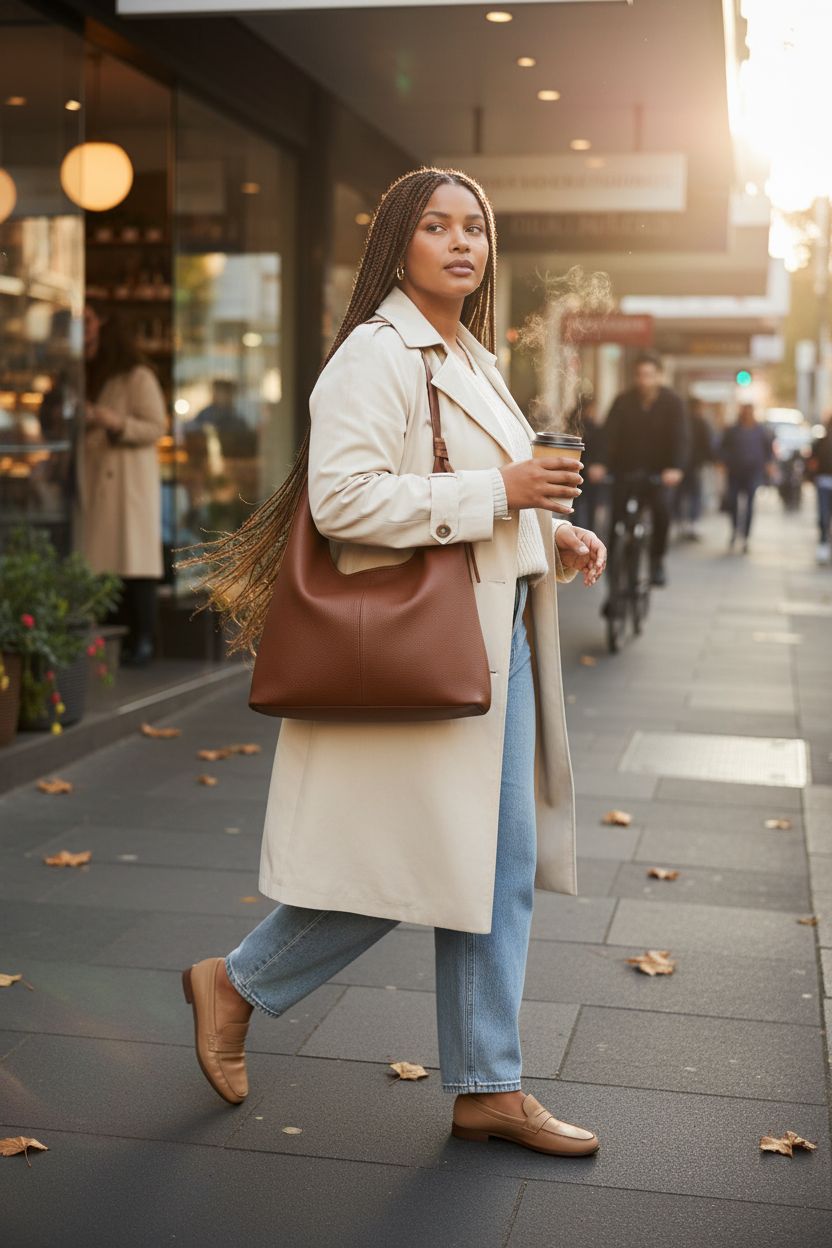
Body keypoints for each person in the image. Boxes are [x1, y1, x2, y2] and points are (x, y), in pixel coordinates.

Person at [181, 168, 607, 1158]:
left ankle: (487, 1085)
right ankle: (238, 984)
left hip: (486, 642)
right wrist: (503, 491)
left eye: (476, 228)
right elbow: (346, 505)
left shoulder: (467, 353)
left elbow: (487, 498)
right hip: (427, 650)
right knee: (415, 867)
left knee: (491, 869)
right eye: (436, 226)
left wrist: (555, 533)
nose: (462, 243)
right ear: (396, 244)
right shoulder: (376, 356)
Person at [80, 306, 166, 666]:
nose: (85, 336)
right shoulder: (84, 373)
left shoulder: (137, 377)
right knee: (102, 565)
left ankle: (143, 640)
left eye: (90, 326)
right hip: (94, 479)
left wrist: (111, 420)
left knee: (135, 565)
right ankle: (110, 641)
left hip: (127, 485)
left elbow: (155, 426)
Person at [598, 351, 687, 587]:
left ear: (659, 376)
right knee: (615, 522)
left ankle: (657, 560)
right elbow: (609, 435)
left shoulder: (673, 403)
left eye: (648, 375)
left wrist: (675, 468)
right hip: (625, 471)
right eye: (639, 375)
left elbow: (681, 438)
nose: (643, 380)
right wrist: (600, 463)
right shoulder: (623, 401)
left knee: (662, 512)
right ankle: (611, 577)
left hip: (658, 474)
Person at [719, 403, 775, 554]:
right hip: (735, 472)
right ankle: (735, 530)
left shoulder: (761, 431)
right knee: (733, 503)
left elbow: (768, 449)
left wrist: (769, 464)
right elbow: (723, 448)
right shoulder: (733, 430)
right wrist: (723, 462)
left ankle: (746, 536)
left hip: (753, 472)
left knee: (749, 504)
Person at [569, 393, 609, 535]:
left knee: (574, 505)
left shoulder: (571, 424)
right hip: (587, 472)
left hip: (575, 470)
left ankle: (574, 532)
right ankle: (587, 533)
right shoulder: (591, 426)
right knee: (588, 506)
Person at [677, 397, 714, 541]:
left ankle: (682, 522)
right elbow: (707, 443)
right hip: (693, 465)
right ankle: (692, 524)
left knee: (681, 494)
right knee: (694, 494)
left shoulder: (682, 421)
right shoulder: (700, 423)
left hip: (681, 465)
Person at [808, 413, 832, 564]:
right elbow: (812, 462)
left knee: (824, 515)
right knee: (823, 516)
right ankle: (823, 543)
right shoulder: (820, 442)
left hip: (822, 482)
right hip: (823, 483)